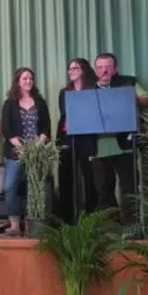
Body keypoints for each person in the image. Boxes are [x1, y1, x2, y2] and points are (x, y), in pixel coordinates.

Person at [90, 53, 148, 229]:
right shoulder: (89, 89)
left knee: (130, 188)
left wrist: (129, 98)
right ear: (96, 70)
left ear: (115, 69)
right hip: (99, 147)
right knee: (103, 190)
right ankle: (110, 228)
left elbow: (147, 101)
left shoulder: (128, 82)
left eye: (108, 66)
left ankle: (132, 228)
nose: (105, 70)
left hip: (125, 144)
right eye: (100, 67)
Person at [0, 67, 51, 237]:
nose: (28, 81)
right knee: (9, 186)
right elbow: (6, 130)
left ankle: (33, 225)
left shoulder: (40, 102)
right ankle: (14, 225)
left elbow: (46, 127)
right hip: (15, 153)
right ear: (18, 81)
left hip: (37, 153)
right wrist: (21, 148)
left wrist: (36, 147)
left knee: (35, 188)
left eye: (30, 78)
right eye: (24, 79)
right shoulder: (9, 103)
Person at [56, 58, 98, 224]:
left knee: (90, 178)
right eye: (70, 68)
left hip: (87, 137)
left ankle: (90, 217)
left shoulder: (93, 89)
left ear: (84, 70)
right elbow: (65, 114)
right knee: (65, 178)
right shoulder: (64, 92)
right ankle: (66, 219)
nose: (71, 71)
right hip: (67, 136)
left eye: (76, 68)